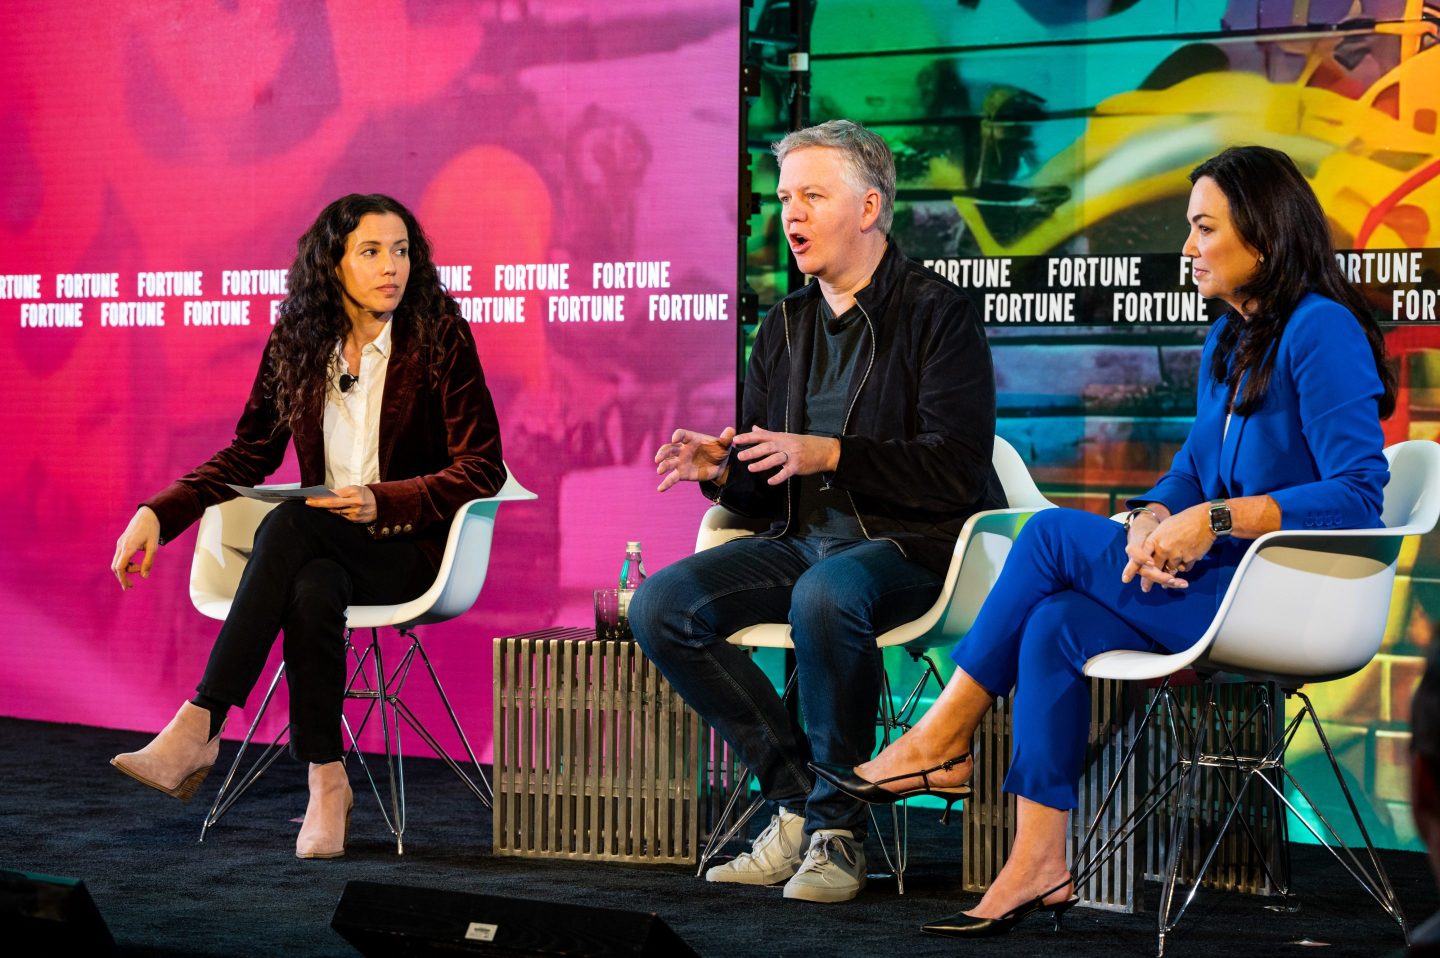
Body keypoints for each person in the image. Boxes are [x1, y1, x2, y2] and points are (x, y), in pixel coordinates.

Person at [812, 144, 1397, 936]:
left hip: (1287, 597)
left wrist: (1219, 520)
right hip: (1215, 584)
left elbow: (1361, 496)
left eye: (1203, 228)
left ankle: (944, 735)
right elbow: (1192, 471)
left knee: (1050, 536)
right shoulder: (1232, 340)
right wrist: (1154, 517)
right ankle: (1038, 860)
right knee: (1054, 624)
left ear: (1262, 235)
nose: (1187, 248)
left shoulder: (1321, 330)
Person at [630, 119, 1002, 903]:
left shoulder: (939, 313)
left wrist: (832, 453)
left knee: (827, 594)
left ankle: (838, 831)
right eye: (784, 198)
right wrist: (721, 473)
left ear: (868, 209)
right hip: (800, 540)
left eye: (811, 196)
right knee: (663, 603)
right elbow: (771, 477)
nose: (789, 215)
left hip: (918, 545)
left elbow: (957, 469)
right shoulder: (785, 324)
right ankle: (799, 800)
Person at [108, 194, 505, 859]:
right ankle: (327, 781)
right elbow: (249, 453)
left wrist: (390, 499)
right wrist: (158, 511)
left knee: (294, 521)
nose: (392, 267)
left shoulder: (439, 334)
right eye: (371, 252)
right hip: (328, 549)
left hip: (411, 551)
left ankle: (201, 722)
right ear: (333, 264)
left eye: (402, 251)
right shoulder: (299, 337)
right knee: (313, 583)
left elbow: (483, 467)